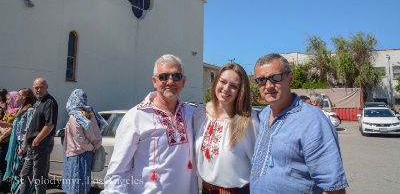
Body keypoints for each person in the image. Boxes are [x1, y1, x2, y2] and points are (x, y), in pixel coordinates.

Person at [250, 53, 348, 194]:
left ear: (290, 78)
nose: (268, 85)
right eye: (261, 80)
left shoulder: (313, 120)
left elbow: (334, 188)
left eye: (275, 78)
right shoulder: (264, 115)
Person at [102, 54, 198, 194]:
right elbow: (118, 171)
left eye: (176, 76)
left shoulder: (192, 114)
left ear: (183, 81)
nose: (170, 81)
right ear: (154, 81)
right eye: (164, 76)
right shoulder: (136, 117)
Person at [193, 63, 259, 194]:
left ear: (241, 90)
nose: (226, 88)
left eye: (234, 86)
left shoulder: (249, 120)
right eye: (222, 82)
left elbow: (258, 164)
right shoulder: (200, 113)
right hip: (206, 189)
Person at [62, 89, 107, 194]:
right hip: (88, 154)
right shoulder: (91, 113)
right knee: (83, 185)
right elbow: (97, 133)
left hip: (75, 155)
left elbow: (79, 137)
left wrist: (90, 147)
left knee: (75, 186)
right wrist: (94, 146)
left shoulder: (74, 116)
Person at [20, 78, 58, 194]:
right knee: (24, 174)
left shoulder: (49, 102)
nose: (39, 90)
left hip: (42, 144)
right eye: (36, 87)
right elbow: (31, 125)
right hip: (32, 145)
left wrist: (37, 140)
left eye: (41, 87)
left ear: (47, 87)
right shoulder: (38, 102)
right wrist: (25, 144)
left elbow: (50, 124)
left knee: (39, 178)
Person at [2, 88, 37, 194]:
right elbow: (19, 128)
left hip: (23, 144)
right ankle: (15, 190)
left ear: (24, 97)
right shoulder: (22, 109)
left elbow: (28, 130)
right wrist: (8, 125)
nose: (16, 96)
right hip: (17, 143)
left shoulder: (30, 110)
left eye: (19, 94)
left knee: (21, 171)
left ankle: (21, 191)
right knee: (15, 170)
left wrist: (23, 147)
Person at [0, 91, 21, 193]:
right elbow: (2, 123)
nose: (7, 101)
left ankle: (4, 187)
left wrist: (2, 136)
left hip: (9, 142)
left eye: (9, 99)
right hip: (3, 139)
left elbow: (13, 128)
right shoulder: (8, 110)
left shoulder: (18, 112)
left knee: (5, 165)